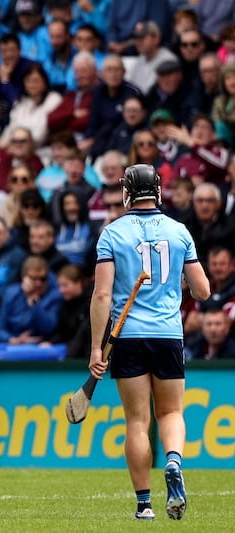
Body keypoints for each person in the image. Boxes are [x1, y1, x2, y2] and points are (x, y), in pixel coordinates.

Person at [89, 163, 210, 521]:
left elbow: (101, 295)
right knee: (171, 412)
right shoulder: (179, 231)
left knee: (137, 422)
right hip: (168, 334)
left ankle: (144, 505)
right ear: (157, 190)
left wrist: (97, 347)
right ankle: (173, 459)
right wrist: (174, 284)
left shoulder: (111, 233)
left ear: (126, 191)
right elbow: (203, 291)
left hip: (127, 337)